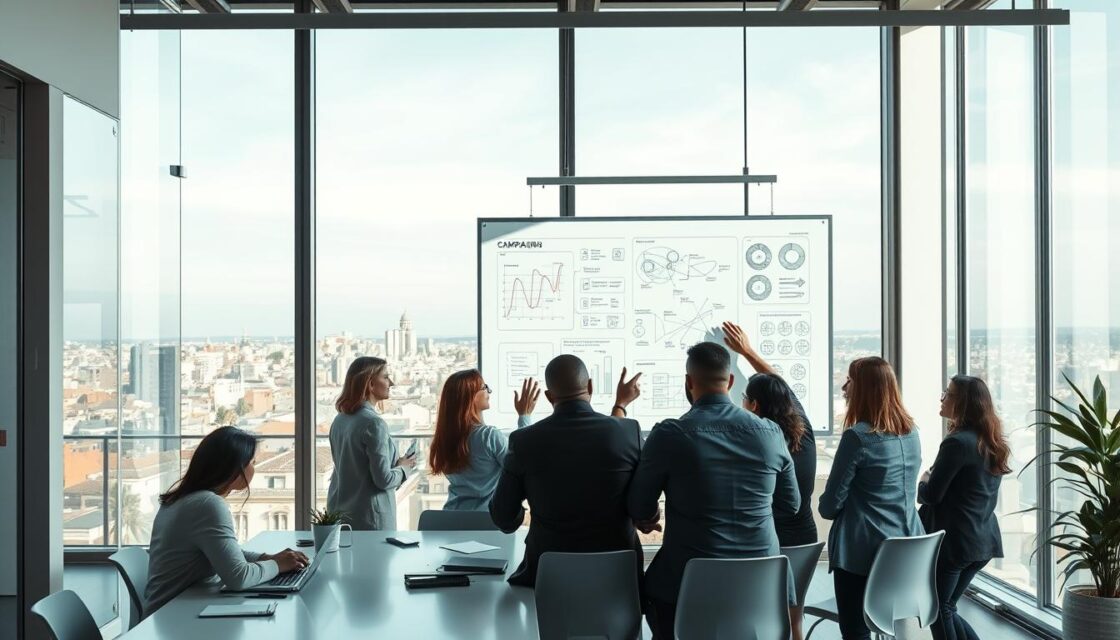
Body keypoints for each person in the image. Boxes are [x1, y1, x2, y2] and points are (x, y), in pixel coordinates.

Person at [628, 341, 800, 639]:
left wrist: (649, 512)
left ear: (688, 382)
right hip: (761, 590)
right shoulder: (771, 433)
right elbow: (791, 506)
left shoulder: (670, 435)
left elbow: (639, 507)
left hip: (686, 591)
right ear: (731, 381)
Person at [489, 354, 645, 587]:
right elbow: (641, 502)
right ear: (590, 386)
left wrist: (525, 514)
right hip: (618, 577)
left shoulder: (524, 441)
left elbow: (503, 517)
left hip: (548, 578)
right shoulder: (629, 431)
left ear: (549, 397)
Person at [146, 426, 310, 613]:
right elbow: (238, 578)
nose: (253, 468)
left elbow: (221, 552)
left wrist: (267, 558)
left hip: (171, 612)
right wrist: (278, 564)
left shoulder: (180, 499)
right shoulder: (207, 504)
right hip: (174, 617)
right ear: (234, 468)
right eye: (252, 462)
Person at [723, 321, 818, 640]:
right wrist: (747, 351)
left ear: (754, 406)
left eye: (744, 399)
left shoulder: (756, 443)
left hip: (766, 545)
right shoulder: (802, 428)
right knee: (794, 624)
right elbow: (781, 387)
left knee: (748, 617)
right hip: (804, 541)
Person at [818, 356, 924, 640]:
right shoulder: (912, 432)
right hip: (908, 548)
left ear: (864, 387)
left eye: (850, 380)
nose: (844, 387)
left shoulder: (858, 437)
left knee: (856, 631)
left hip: (863, 552)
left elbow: (829, 507)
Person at [920, 375, 1009, 640]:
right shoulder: (991, 441)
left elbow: (932, 495)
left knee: (937, 610)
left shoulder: (957, 443)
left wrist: (923, 481)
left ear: (962, 403)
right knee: (947, 607)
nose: (942, 398)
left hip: (956, 543)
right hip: (983, 541)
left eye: (947, 393)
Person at [327, 356, 416, 530]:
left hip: (340, 513)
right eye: (385, 377)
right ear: (370, 384)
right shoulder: (374, 424)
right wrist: (404, 468)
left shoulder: (340, 420)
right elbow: (384, 480)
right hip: (370, 519)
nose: (391, 382)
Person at [429, 371, 540, 511]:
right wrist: (524, 416)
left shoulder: (444, 439)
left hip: (452, 518)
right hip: (487, 521)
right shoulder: (488, 436)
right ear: (471, 397)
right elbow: (522, 467)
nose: (489, 391)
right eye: (484, 387)